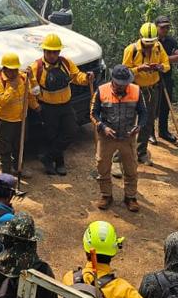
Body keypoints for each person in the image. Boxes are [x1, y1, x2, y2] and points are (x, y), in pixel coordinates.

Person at [30, 32, 89, 176]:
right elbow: (32, 91)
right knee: (52, 135)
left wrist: (87, 78)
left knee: (71, 131)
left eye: (55, 52)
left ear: (59, 51)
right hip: (48, 107)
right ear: (44, 51)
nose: (52, 55)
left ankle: (47, 157)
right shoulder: (36, 67)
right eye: (49, 52)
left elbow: (77, 76)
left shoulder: (66, 63)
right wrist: (35, 105)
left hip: (66, 104)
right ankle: (59, 163)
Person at [90, 64, 147, 212]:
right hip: (107, 136)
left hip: (128, 137)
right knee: (102, 166)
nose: (122, 87)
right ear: (112, 80)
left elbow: (144, 113)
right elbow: (93, 113)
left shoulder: (136, 91)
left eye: (125, 84)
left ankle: (130, 197)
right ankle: (106, 195)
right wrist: (102, 127)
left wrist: (139, 126)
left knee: (131, 168)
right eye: (119, 84)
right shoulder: (101, 91)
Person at [121, 22, 170, 164]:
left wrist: (161, 67)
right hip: (134, 89)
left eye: (152, 42)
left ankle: (141, 152)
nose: (149, 45)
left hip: (152, 89)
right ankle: (121, 156)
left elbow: (166, 64)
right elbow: (123, 72)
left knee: (147, 122)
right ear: (140, 37)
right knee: (128, 121)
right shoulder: (131, 50)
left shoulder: (158, 48)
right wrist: (139, 69)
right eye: (147, 42)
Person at [0, 53, 36, 177]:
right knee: (4, 148)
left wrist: (31, 78)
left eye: (15, 69)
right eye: (10, 70)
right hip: (5, 121)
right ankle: (6, 174)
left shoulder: (23, 78)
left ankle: (19, 169)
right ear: (4, 69)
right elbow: (2, 101)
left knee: (20, 145)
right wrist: (12, 88)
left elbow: (35, 92)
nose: (13, 73)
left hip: (21, 119)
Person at [154, 16, 178, 144]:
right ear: (156, 27)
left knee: (166, 105)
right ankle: (149, 133)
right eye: (162, 27)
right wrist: (168, 59)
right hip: (152, 77)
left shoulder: (171, 41)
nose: (165, 29)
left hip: (167, 76)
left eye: (167, 27)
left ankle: (163, 131)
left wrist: (163, 60)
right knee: (153, 106)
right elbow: (151, 61)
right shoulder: (151, 40)